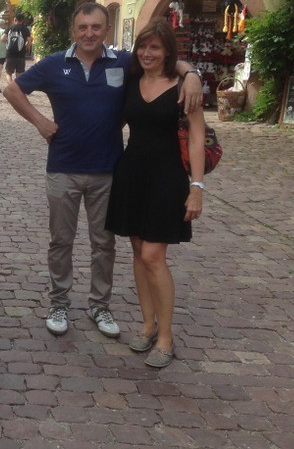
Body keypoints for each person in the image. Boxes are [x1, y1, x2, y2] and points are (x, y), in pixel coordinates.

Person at [3, 2, 203, 339]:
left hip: (109, 168)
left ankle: (100, 305)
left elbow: (161, 57)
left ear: (106, 30)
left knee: (104, 243)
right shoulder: (55, 63)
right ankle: (59, 302)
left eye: (96, 27)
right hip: (63, 168)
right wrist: (40, 122)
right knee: (60, 241)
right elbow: (12, 89)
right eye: (83, 27)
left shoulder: (124, 62)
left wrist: (192, 74)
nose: (89, 33)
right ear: (73, 30)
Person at [105, 19, 205, 368]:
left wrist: (197, 186)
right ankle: (148, 325)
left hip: (167, 177)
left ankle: (167, 336)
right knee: (136, 250)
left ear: (168, 52)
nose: (147, 53)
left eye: (155, 48)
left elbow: (196, 137)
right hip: (132, 172)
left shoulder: (184, 88)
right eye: (143, 46)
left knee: (152, 256)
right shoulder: (131, 79)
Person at [1, 12, 30, 84]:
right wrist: (27, 47)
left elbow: (2, 39)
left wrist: (9, 42)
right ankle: (17, 88)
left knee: (8, 73)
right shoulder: (25, 29)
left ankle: (10, 87)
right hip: (21, 54)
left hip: (10, 54)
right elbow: (29, 41)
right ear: (23, 20)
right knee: (19, 73)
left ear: (15, 19)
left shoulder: (9, 28)